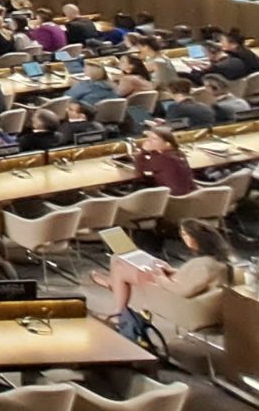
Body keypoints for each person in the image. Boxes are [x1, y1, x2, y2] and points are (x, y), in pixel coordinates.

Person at [95, 218, 233, 334]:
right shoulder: (215, 261)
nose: (183, 238)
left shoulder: (203, 266)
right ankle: (114, 285)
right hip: (176, 287)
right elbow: (192, 280)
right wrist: (170, 270)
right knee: (119, 260)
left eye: (185, 234)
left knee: (119, 264)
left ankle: (116, 299)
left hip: (174, 298)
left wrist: (160, 277)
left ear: (196, 239)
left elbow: (182, 290)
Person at [133, 127, 194, 194]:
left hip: (174, 199)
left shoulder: (164, 159)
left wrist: (143, 151)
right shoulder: (179, 154)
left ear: (167, 144)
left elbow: (141, 169)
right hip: (189, 195)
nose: (149, 142)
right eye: (148, 139)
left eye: (154, 139)